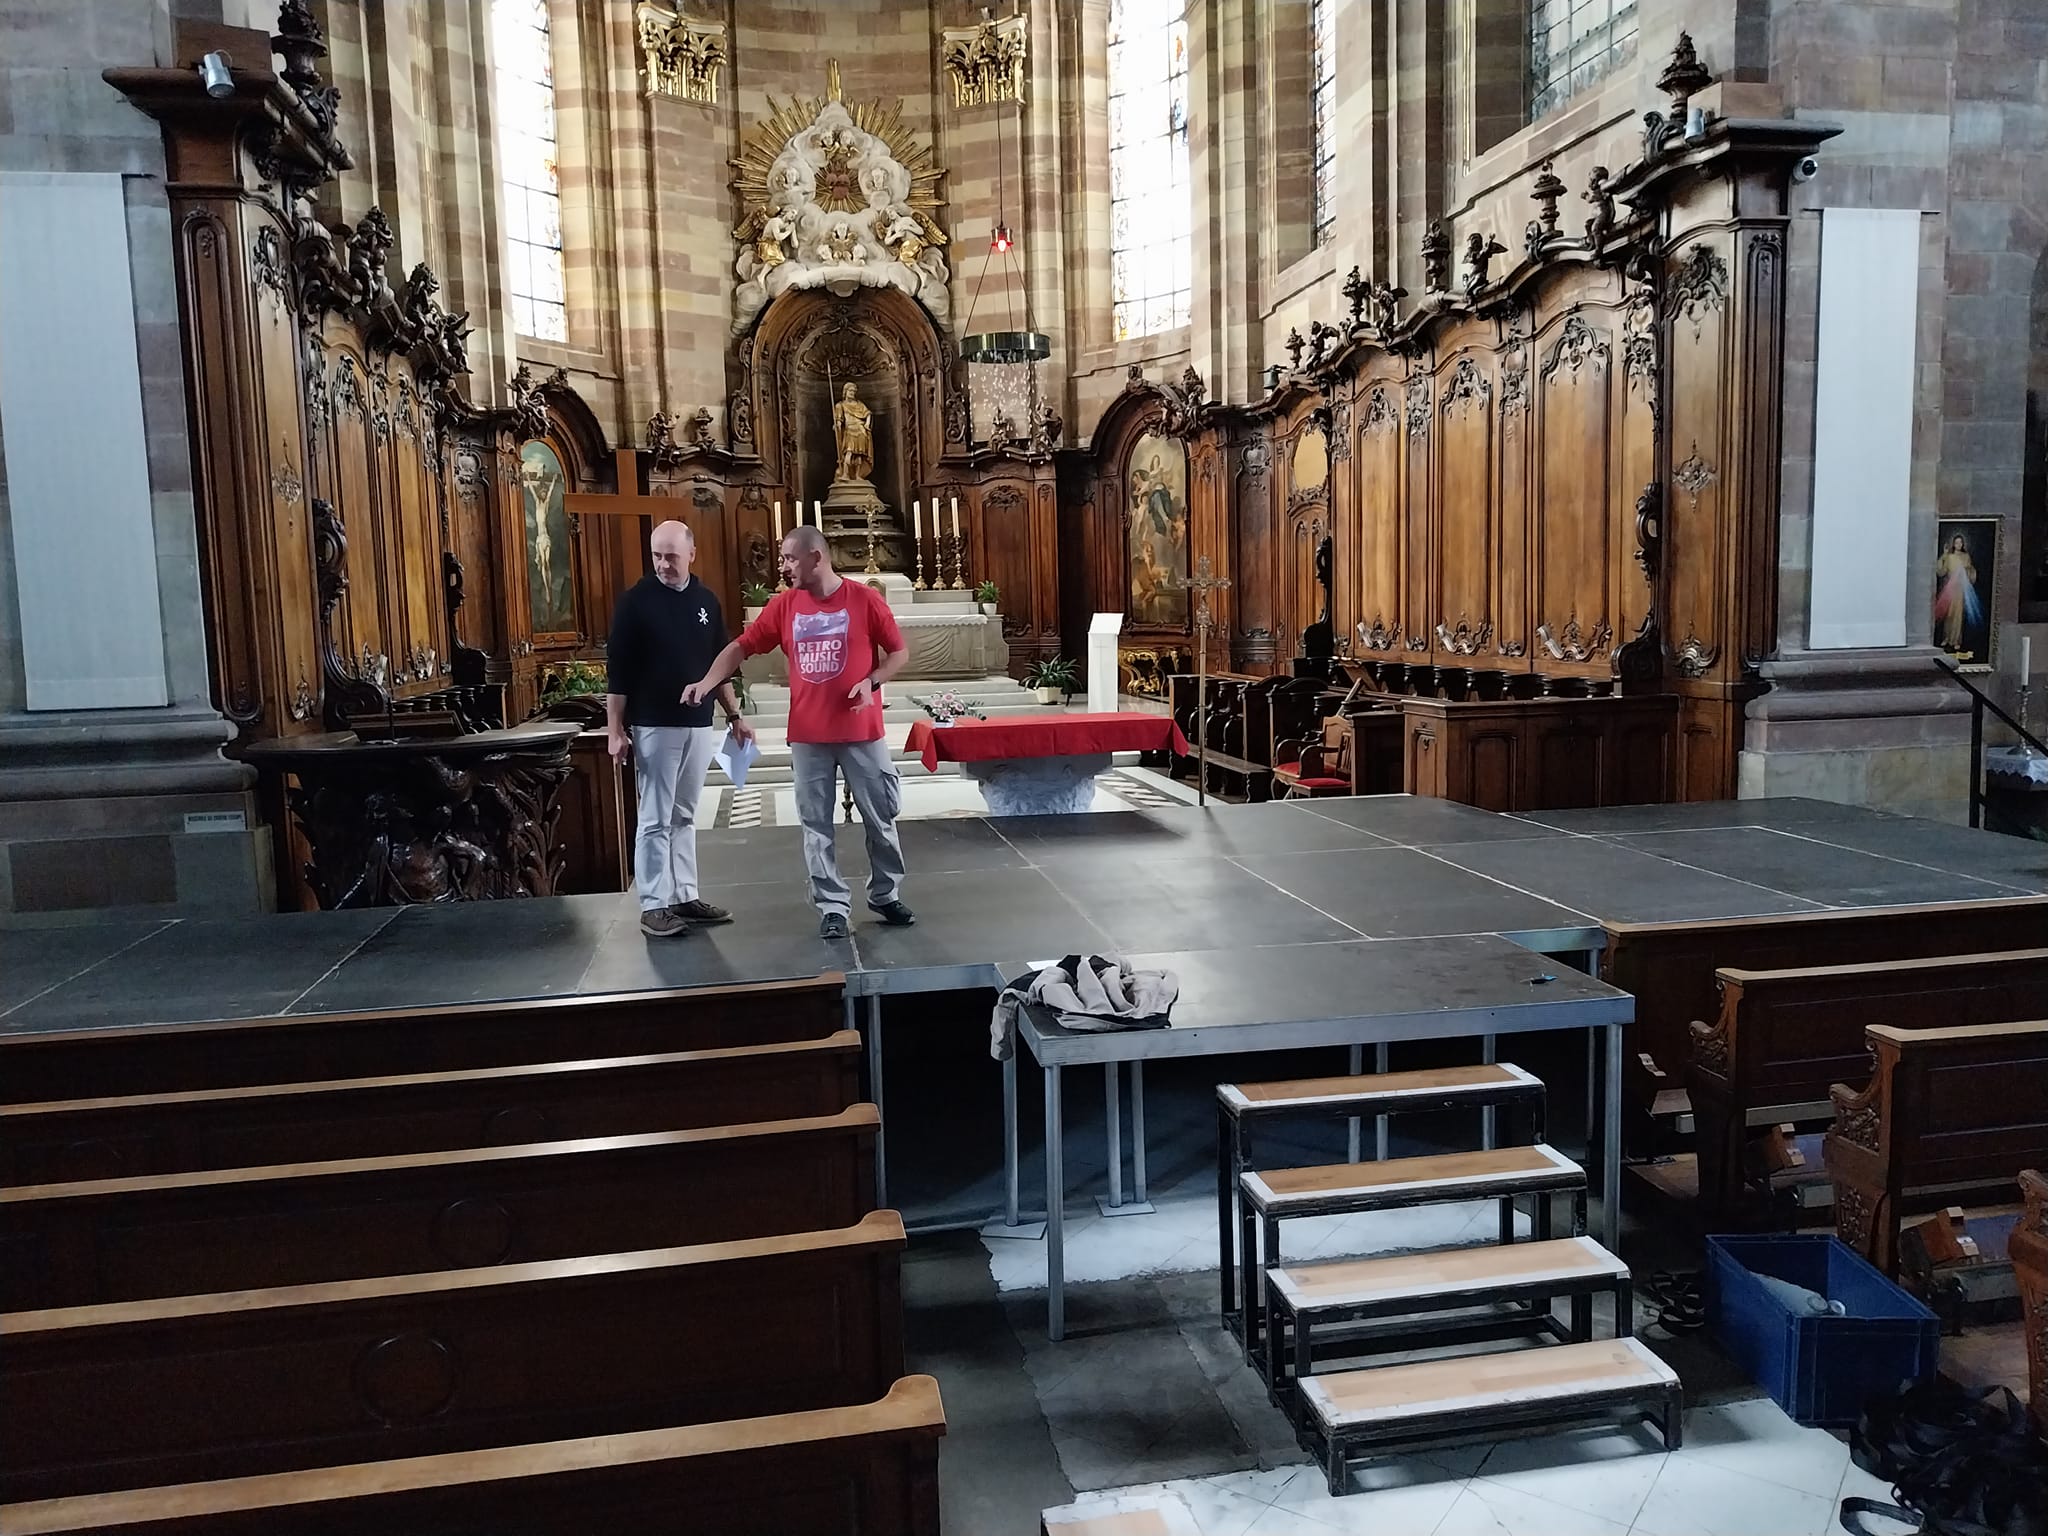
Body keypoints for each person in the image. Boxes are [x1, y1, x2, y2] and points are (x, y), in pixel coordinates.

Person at [683, 525, 914, 940]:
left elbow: (899, 652)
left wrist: (873, 681)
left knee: (881, 818)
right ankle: (832, 906)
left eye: (789, 558)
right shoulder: (784, 606)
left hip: (862, 732)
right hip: (809, 736)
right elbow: (741, 646)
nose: (783, 566)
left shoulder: (865, 599)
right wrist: (705, 681)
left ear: (816, 558)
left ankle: (885, 893)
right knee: (815, 825)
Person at [606, 520, 755, 939]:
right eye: (657, 555)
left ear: (691, 553)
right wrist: (615, 731)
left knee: (685, 815)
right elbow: (617, 674)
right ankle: (654, 903)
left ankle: (684, 895)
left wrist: (735, 717)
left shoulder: (706, 600)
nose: (663, 563)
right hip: (654, 724)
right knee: (655, 817)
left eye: (671, 555)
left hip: (698, 725)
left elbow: (720, 666)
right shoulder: (635, 602)